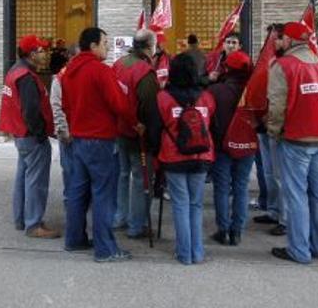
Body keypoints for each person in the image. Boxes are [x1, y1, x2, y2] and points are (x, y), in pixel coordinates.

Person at [267, 22, 318, 264]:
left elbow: (277, 106)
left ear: (289, 40)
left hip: (295, 140)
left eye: (281, 38)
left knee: (297, 195)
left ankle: (299, 250)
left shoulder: (283, 66)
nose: (278, 42)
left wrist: (274, 131)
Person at [61, 27, 140, 262]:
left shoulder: (68, 72)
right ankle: (106, 249)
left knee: (77, 192)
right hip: (101, 139)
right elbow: (119, 103)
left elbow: (66, 105)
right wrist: (135, 123)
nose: (107, 47)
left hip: (79, 139)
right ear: (93, 46)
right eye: (105, 42)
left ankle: (74, 239)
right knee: (104, 194)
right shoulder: (100, 71)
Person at [157, 54, 216, 265]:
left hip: (174, 156)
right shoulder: (206, 97)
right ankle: (197, 252)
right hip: (201, 156)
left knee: (180, 204)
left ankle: (184, 254)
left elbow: (157, 128)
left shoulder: (163, 98)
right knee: (196, 204)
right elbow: (212, 124)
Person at [0, 35, 59, 239]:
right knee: (36, 181)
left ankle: (22, 219)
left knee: (23, 178)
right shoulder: (26, 77)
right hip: (31, 137)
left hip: (21, 135)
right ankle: (34, 224)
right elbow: (31, 112)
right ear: (32, 54)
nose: (45, 54)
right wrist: (42, 135)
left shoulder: (15, 71)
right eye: (42, 50)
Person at [112, 29, 161, 239]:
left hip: (119, 129)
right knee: (142, 179)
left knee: (123, 175)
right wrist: (153, 137)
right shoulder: (144, 71)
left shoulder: (119, 64)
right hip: (138, 133)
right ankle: (136, 225)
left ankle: (120, 217)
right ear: (151, 46)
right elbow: (151, 108)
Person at [207, 50, 253, 246]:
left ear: (227, 68)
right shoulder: (253, 91)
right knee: (241, 187)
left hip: (221, 145)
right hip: (246, 145)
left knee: (222, 187)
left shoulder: (216, 90)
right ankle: (237, 231)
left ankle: (223, 229)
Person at [254, 23, 288, 236]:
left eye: (275, 38)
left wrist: (274, 123)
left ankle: (285, 218)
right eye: (269, 38)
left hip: (277, 127)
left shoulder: (286, 64)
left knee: (279, 175)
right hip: (263, 124)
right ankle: (273, 210)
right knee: (268, 172)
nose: (271, 42)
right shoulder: (267, 59)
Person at [50, 44, 80, 229]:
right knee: (69, 171)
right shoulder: (60, 78)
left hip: (84, 133)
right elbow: (56, 106)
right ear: (69, 58)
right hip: (69, 135)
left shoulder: (84, 75)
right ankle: (71, 205)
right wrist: (63, 130)